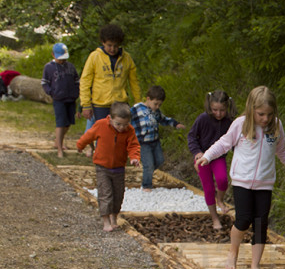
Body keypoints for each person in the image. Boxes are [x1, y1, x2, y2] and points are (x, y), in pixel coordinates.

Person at [195, 86, 285, 269]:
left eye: (269, 114)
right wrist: (208, 156)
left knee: (261, 223)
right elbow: (224, 143)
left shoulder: (276, 126)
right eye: (261, 114)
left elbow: (283, 150)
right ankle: (233, 253)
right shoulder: (241, 124)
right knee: (243, 220)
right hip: (242, 182)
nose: (265, 119)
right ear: (252, 109)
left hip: (265, 183)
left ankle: (255, 265)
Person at [75, 101, 140, 232]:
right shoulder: (100, 125)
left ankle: (114, 218)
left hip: (119, 168)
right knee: (105, 194)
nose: (121, 127)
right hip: (102, 167)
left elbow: (133, 145)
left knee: (118, 195)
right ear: (110, 119)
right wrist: (80, 145)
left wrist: (134, 158)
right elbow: (89, 135)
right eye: (118, 124)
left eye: (125, 124)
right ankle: (106, 221)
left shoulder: (129, 131)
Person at [188, 90, 236, 230]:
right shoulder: (203, 118)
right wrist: (197, 153)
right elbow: (191, 137)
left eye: (222, 110)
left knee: (222, 180)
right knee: (208, 188)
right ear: (210, 107)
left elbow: (233, 140)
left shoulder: (230, 122)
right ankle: (215, 218)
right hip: (202, 158)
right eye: (215, 110)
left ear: (227, 108)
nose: (218, 113)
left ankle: (220, 199)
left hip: (218, 157)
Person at [79, 23, 141, 130]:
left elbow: (134, 82)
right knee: (103, 133)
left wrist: (138, 103)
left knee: (121, 133)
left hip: (120, 103)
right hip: (100, 104)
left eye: (116, 46)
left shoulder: (127, 59)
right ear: (103, 42)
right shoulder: (94, 57)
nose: (112, 49)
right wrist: (86, 104)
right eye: (109, 45)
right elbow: (85, 81)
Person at [130, 85, 185, 192]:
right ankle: (146, 185)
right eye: (155, 104)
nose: (157, 107)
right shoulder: (137, 109)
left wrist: (175, 124)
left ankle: (147, 171)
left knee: (160, 160)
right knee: (149, 164)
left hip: (155, 141)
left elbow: (164, 119)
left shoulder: (156, 112)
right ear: (148, 99)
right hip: (143, 143)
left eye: (159, 105)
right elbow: (126, 118)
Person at [41, 43, 80, 156]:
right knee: (60, 123)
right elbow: (44, 83)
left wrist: (76, 92)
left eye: (64, 59)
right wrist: (51, 92)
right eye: (60, 59)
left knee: (68, 123)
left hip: (71, 98)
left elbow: (76, 80)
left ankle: (58, 141)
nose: (62, 61)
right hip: (59, 99)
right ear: (53, 55)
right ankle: (59, 149)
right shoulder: (49, 67)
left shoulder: (71, 66)